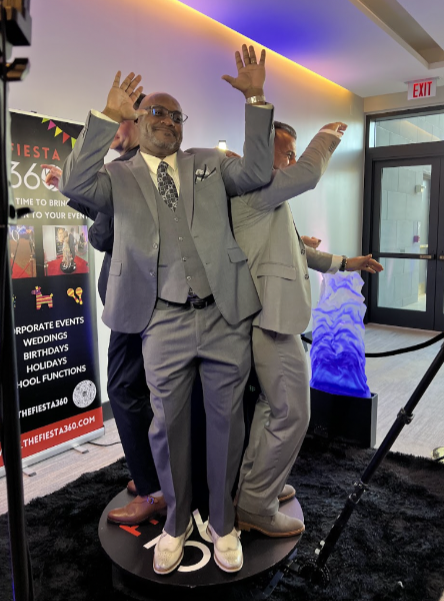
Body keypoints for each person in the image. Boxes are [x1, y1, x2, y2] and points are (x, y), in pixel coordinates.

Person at [54, 44, 275, 575]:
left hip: (224, 315)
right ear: (138, 118)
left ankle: (221, 524)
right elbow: (72, 184)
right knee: (167, 426)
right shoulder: (118, 176)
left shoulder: (208, 163)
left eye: (176, 115)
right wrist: (107, 117)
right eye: (156, 111)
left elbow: (259, 173)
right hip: (162, 321)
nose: (167, 121)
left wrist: (256, 97)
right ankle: (176, 522)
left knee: (228, 425)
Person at [231, 120, 383, 537]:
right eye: (287, 150)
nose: (294, 160)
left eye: (296, 152)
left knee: (271, 410)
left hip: (277, 319)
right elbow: (311, 174)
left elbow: (298, 252)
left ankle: (257, 489)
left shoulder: (266, 199)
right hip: (270, 322)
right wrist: (328, 137)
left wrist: (347, 263)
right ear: (260, 153)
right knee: (294, 413)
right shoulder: (253, 191)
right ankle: (256, 505)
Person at [43, 93, 166, 525]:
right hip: (144, 300)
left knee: (125, 391)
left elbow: (105, 233)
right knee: (146, 393)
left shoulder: (128, 170)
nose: (116, 132)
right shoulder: (142, 169)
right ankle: (154, 476)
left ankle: (152, 491)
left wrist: (75, 190)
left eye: (121, 122)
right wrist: (72, 190)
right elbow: (108, 213)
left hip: (134, 303)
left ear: (140, 122)